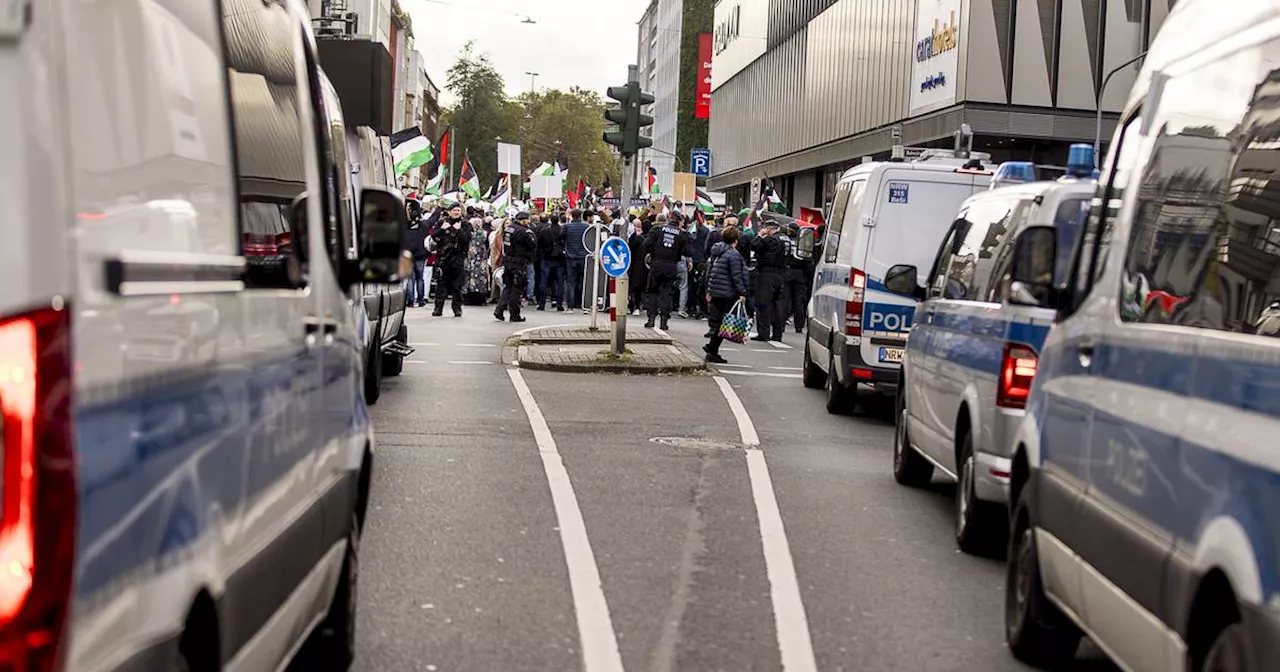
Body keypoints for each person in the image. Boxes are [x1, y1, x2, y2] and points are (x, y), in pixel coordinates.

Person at [703, 226, 750, 364]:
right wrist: (742, 292)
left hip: (716, 290)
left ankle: (712, 349)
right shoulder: (733, 255)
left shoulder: (717, 251)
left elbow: (710, 270)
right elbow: (736, 275)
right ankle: (712, 349)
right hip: (727, 292)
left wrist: (708, 290)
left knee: (719, 322)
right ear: (735, 240)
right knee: (724, 323)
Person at [643, 211, 694, 330]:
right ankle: (664, 321)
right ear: (679, 221)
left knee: (652, 292)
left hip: (656, 264)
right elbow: (689, 252)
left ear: (669, 218)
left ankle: (651, 319)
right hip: (671, 266)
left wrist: (654, 252)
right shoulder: (682, 234)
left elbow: (646, 244)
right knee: (667, 293)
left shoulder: (657, 229)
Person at [429, 203, 471, 317]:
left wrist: (459, 230)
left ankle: (457, 308)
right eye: (454, 210)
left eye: (458, 210)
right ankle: (438, 308)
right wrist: (442, 229)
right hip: (443, 259)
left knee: (457, 286)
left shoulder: (465, 224)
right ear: (449, 211)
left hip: (457, 258)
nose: (456, 212)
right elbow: (433, 236)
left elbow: (467, 240)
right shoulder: (442, 223)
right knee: (441, 285)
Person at [496, 211, 537, 323]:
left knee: (508, 287)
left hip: (508, 260)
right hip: (519, 262)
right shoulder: (524, 231)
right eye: (527, 219)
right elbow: (532, 244)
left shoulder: (509, 229)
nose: (529, 222)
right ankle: (514, 314)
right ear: (523, 220)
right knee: (517, 288)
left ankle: (499, 310)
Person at [750, 220, 788, 341]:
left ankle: (764, 333)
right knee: (777, 305)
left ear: (769, 229)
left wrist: (760, 235)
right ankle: (778, 334)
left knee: (763, 304)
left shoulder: (770, 239)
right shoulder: (785, 239)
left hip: (767, 274)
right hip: (780, 274)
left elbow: (754, 245)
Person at [783, 223, 814, 334]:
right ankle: (799, 326)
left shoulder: (786, 241)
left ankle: (781, 323)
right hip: (800, 273)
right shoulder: (803, 243)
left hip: (787, 271)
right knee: (799, 301)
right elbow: (809, 261)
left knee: (785, 299)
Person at [538, 211, 567, 310]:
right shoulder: (563, 230)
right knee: (559, 282)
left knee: (544, 282)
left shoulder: (544, 231)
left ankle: (542, 304)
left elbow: (539, 245)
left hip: (546, 258)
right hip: (559, 259)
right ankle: (559, 304)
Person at [563, 209, 589, 312]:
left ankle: (570, 306)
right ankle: (582, 304)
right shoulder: (586, 227)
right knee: (583, 281)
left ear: (572, 216)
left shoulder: (567, 227)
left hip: (570, 257)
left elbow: (561, 237)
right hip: (583, 257)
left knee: (571, 281)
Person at [404, 200, 429, 307]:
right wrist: (439, 209)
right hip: (420, 254)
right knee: (420, 277)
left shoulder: (403, 225)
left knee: (410, 278)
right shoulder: (423, 225)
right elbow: (433, 220)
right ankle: (420, 300)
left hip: (408, 254)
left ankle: (410, 300)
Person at [463, 216, 490, 304]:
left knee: (469, 277)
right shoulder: (484, 233)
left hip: (470, 258)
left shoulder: (468, 233)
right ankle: (480, 297)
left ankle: (468, 297)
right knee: (480, 278)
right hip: (481, 258)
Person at [628, 218, 650, 315]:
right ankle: (639, 305)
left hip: (635, 265)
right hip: (646, 266)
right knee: (642, 287)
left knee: (634, 287)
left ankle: (633, 306)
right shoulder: (650, 240)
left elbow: (630, 250)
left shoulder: (636, 238)